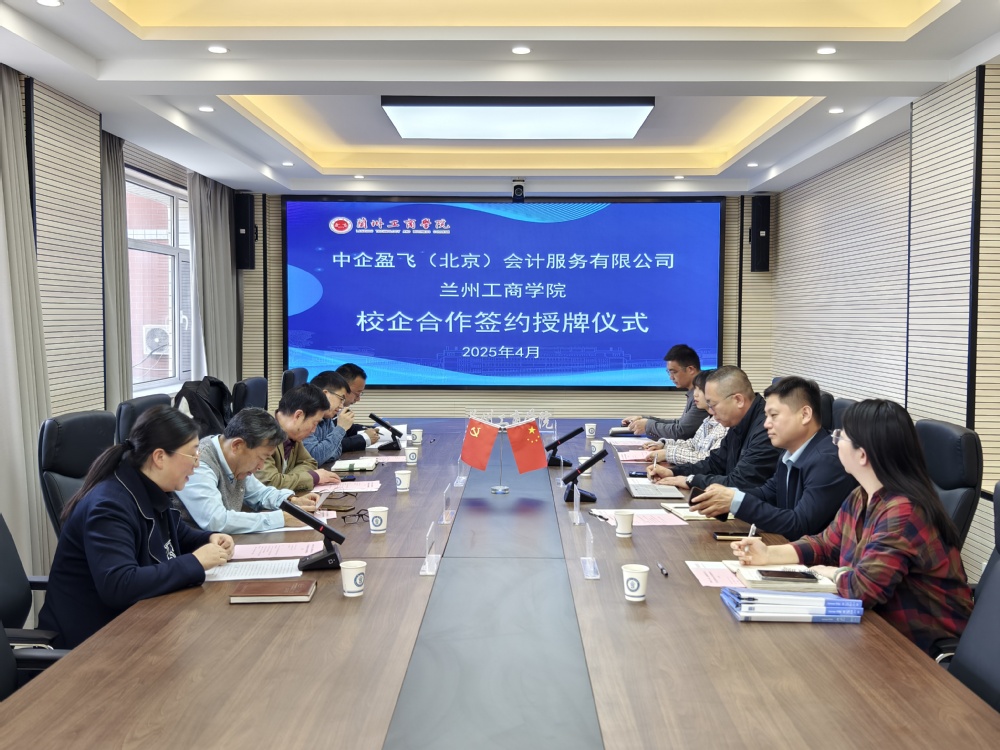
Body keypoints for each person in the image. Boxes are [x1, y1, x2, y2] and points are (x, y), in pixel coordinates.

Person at [731, 399, 974, 654]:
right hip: (874, 630)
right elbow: (826, 544)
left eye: (841, 437)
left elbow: (862, 590)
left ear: (862, 454)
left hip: (918, 649)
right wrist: (769, 554)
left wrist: (833, 573)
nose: (835, 442)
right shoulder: (861, 495)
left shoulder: (903, 512)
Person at [38, 406, 234, 648]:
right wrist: (196, 561)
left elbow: (178, 536)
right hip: (90, 643)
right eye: (192, 454)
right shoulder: (109, 506)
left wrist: (210, 538)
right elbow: (120, 584)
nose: (197, 463)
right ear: (159, 457)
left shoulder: (149, 488)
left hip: (135, 625)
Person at [689, 376, 857, 538]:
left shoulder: (827, 461)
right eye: (766, 416)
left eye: (774, 415)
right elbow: (767, 494)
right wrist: (727, 495)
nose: (766, 424)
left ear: (805, 414)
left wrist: (735, 501)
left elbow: (800, 525)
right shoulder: (789, 453)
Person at [175, 408, 324, 534]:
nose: (261, 467)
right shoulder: (199, 464)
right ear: (237, 445)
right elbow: (216, 520)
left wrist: (291, 501)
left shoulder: (236, 460)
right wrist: (282, 519)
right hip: (196, 551)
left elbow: (260, 494)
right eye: (261, 458)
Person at [647, 365, 780, 491]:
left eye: (713, 405)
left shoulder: (767, 430)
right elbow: (715, 463)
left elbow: (740, 483)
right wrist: (673, 472)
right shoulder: (738, 422)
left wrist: (690, 480)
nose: (710, 411)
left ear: (738, 400)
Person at [256, 383, 342, 492]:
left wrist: (286, 479)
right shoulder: (262, 434)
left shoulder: (292, 434)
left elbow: (310, 462)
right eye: (315, 423)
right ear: (298, 416)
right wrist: (313, 477)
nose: (313, 430)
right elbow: (270, 483)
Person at [621, 344, 707, 441]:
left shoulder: (703, 394)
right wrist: (646, 420)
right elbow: (680, 424)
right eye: (669, 372)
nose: (671, 377)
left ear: (690, 369)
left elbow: (681, 432)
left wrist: (648, 425)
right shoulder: (694, 391)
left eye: (674, 372)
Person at [644, 369, 727, 466]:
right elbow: (693, 444)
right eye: (695, 389)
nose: (695, 394)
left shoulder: (725, 426)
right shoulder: (709, 420)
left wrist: (668, 454)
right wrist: (664, 444)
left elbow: (708, 459)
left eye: (700, 389)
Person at [303, 370, 354, 465]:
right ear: (325, 394)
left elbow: (337, 451)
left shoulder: (327, 417)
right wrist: (341, 428)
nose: (341, 406)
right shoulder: (305, 417)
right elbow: (314, 458)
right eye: (341, 399)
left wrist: (325, 453)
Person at [336, 362, 380, 452]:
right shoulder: (323, 410)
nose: (358, 399)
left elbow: (349, 430)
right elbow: (331, 446)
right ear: (342, 387)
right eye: (357, 394)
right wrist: (364, 438)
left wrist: (374, 429)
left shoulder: (340, 409)